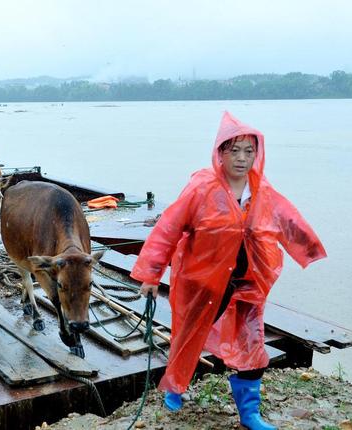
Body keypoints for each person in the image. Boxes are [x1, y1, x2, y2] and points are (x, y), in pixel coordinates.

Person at [130, 111, 326, 430]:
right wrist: (151, 275)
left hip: (246, 283)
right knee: (188, 335)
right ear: (220, 152)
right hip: (203, 281)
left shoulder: (261, 190)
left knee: (252, 342)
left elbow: (287, 218)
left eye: (249, 151)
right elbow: (168, 228)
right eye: (233, 150)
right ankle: (175, 387)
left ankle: (250, 414)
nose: (242, 158)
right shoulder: (201, 188)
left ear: (257, 154)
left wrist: (310, 249)